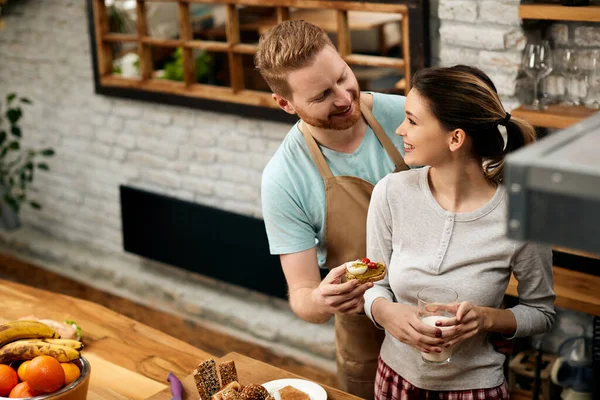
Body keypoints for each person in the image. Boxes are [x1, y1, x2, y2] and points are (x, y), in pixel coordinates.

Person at [363, 65, 556, 399]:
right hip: (394, 379)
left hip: (475, 389)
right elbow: (373, 284)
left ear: (455, 138)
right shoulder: (391, 193)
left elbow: (541, 313)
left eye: (412, 121)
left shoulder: (521, 217)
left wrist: (486, 319)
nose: (399, 129)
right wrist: (385, 312)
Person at [255, 20, 409, 398]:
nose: (344, 98)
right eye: (322, 95)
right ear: (285, 104)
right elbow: (304, 294)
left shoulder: (408, 116)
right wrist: (320, 300)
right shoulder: (284, 178)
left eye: (343, 77)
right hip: (367, 340)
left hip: (447, 314)